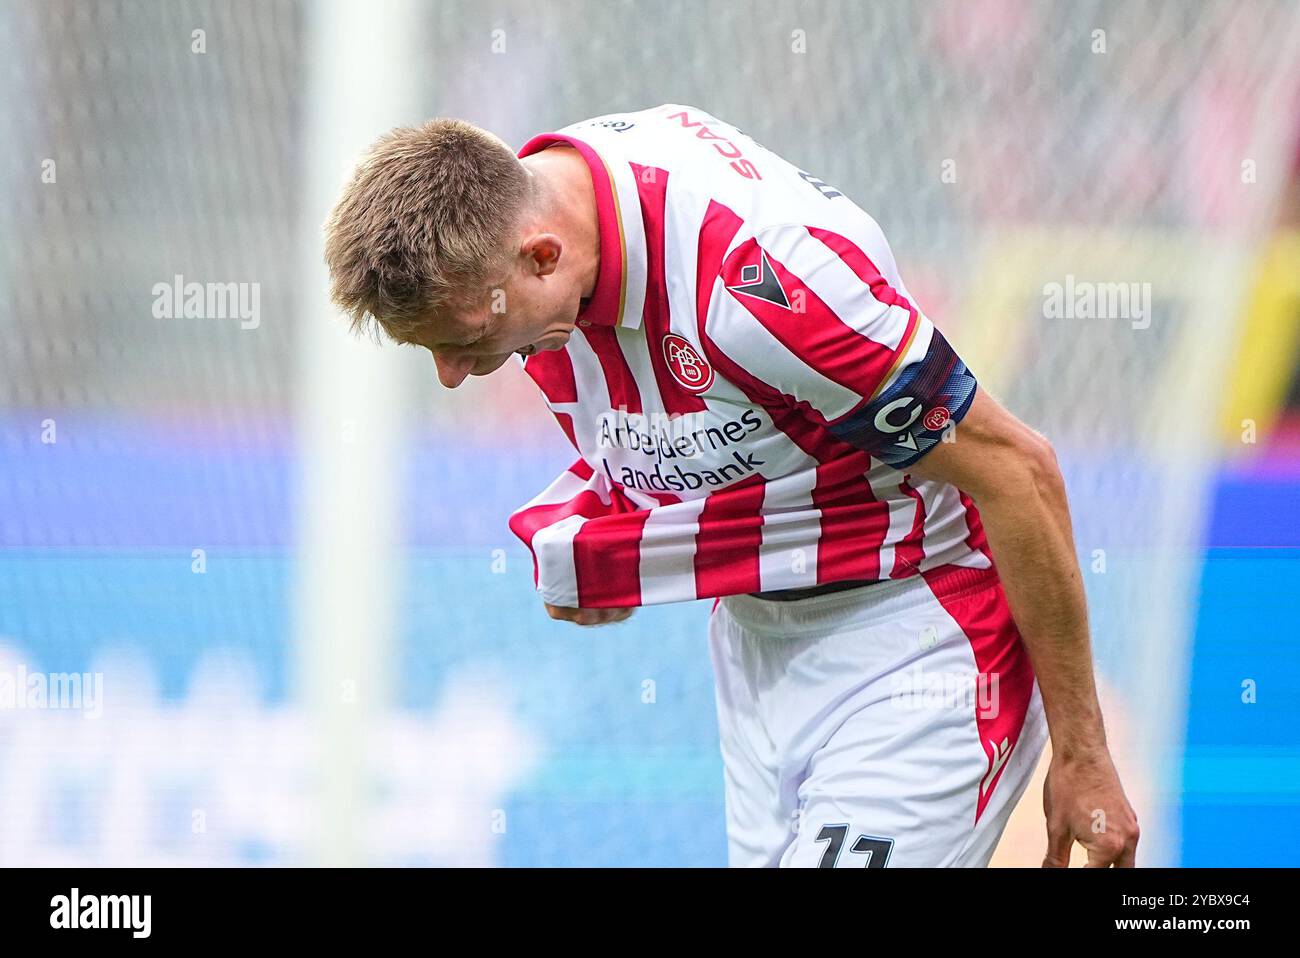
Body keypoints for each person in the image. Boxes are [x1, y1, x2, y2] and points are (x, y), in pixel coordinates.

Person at [324, 103, 1139, 867]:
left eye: (467, 340)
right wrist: (617, 542)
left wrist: (1083, 755)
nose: (453, 376)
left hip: (918, 639)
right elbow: (719, 437)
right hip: (753, 653)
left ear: (545, 255)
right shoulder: (526, 224)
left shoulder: (759, 287)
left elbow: (1017, 469)